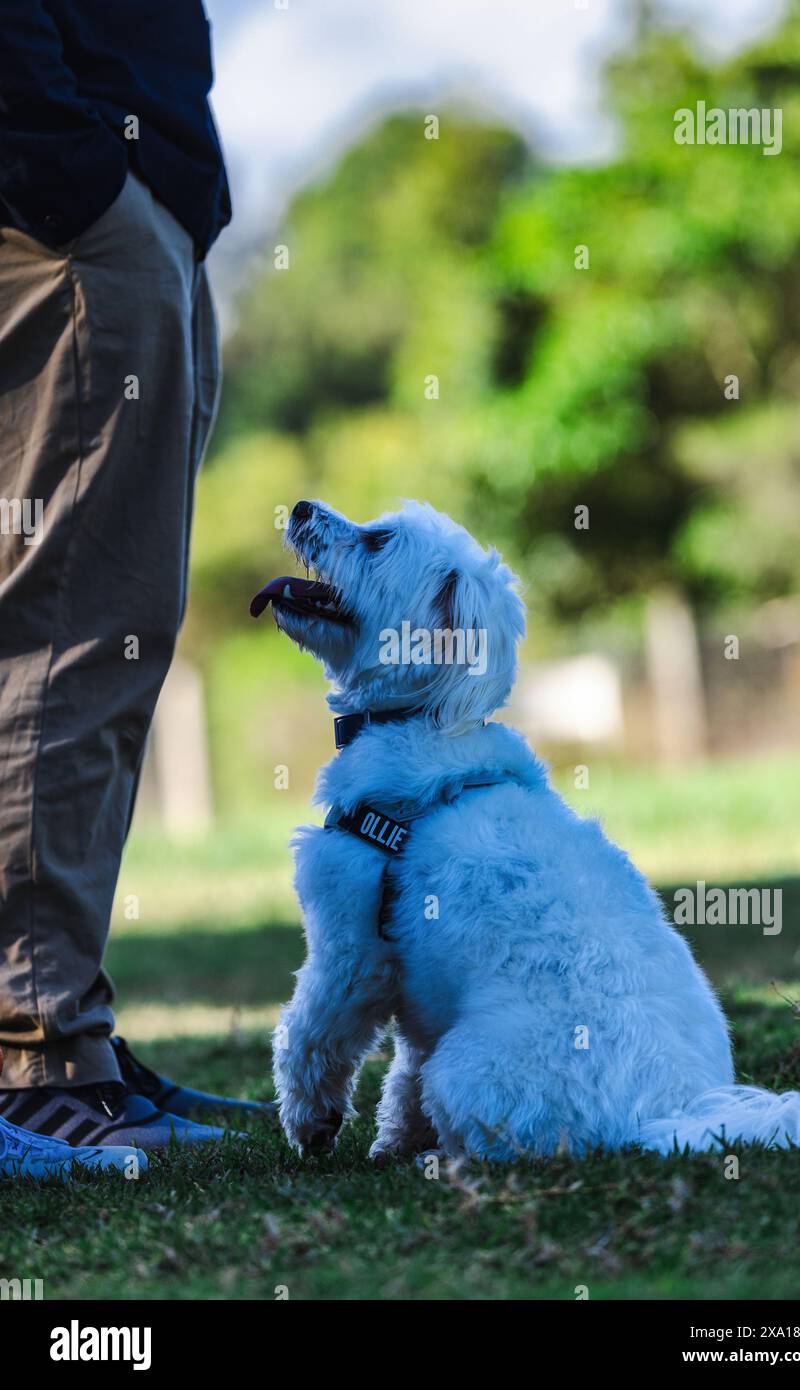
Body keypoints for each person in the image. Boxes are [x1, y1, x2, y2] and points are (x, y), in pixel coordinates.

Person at [0, 1, 267, 1158]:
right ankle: (36, 1051)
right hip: (74, 204)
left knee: (94, 633)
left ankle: (67, 1031)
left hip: (114, 193)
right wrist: (81, 177)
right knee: (71, 633)